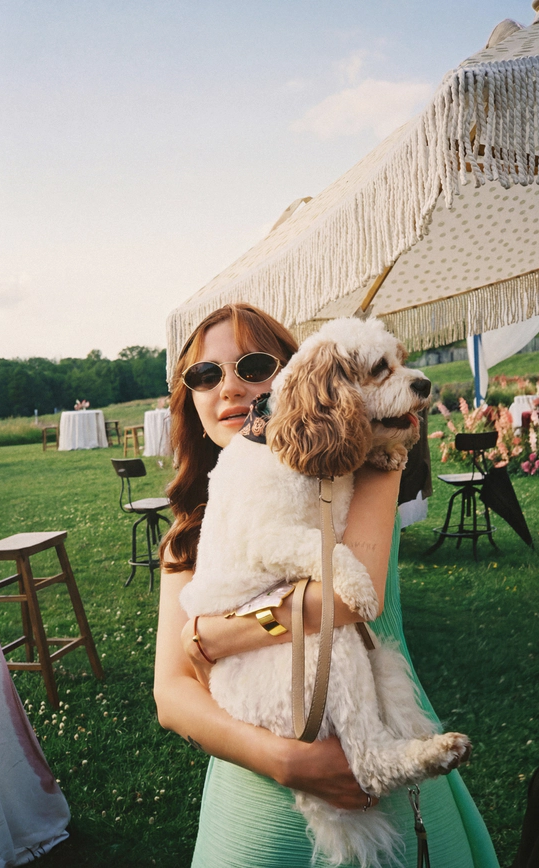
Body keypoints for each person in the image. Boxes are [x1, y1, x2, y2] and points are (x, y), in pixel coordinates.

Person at [154, 302, 499, 868]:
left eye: (253, 366)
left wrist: (211, 637)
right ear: (190, 397)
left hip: (391, 745)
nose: (231, 388)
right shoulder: (189, 535)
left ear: (302, 376)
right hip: (254, 808)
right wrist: (286, 761)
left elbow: (346, 600)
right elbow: (171, 695)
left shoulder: (371, 469)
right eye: (206, 375)